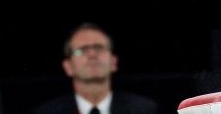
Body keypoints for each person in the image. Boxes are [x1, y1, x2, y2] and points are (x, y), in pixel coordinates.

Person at [30, 22, 158, 114]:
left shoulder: (143, 110)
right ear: (68, 66)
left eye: (99, 48)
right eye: (82, 50)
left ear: (114, 62)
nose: (92, 54)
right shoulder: (47, 112)